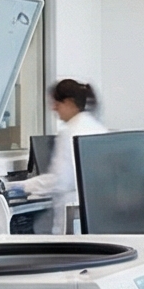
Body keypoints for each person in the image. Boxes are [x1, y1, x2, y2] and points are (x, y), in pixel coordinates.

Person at [18, 78, 107, 234]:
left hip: (73, 215)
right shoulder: (97, 128)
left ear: (69, 102)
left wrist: (20, 187)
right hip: (97, 215)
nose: (54, 109)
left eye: (57, 104)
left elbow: (60, 180)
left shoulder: (70, 131)